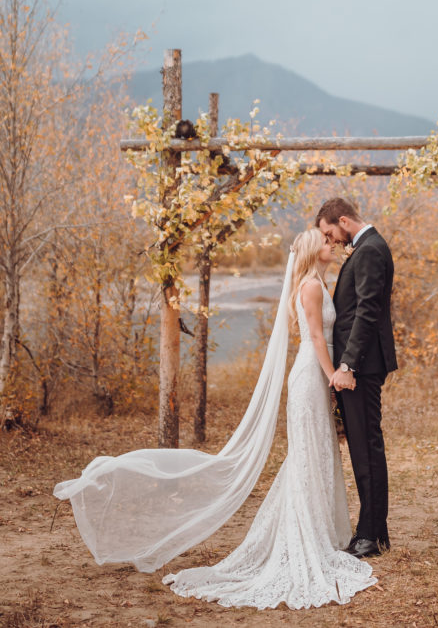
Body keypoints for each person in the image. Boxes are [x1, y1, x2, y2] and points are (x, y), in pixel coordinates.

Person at [54, 228, 376, 610]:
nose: (332, 245)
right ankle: (303, 534)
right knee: (308, 455)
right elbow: (318, 341)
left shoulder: (318, 282)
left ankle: (319, 531)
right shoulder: (308, 286)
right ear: (312, 250)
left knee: (316, 454)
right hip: (310, 374)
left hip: (314, 376)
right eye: (326, 242)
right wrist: (333, 378)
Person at [316, 197, 397, 560]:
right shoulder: (366, 247)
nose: (329, 240)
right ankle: (375, 533)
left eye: (329, 232)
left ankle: (369, 536)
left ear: (344, 220)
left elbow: (367, 310)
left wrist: (347, 365)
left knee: (366, 448)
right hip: (359, 364)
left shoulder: (369, 250)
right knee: (364, 448)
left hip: (361, 366)